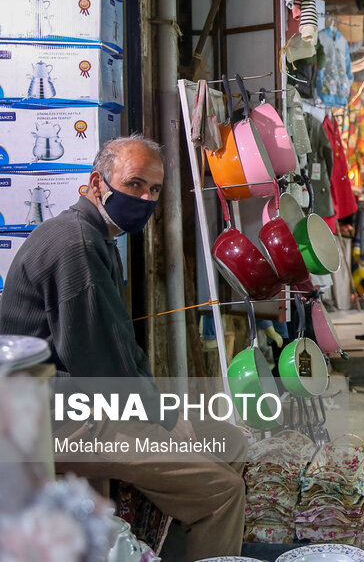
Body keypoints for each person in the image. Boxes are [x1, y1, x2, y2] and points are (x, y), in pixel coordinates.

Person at [0, 135, 248, 559]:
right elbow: (101, 367)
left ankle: (164, 548)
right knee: (224, 493)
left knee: (229, 442)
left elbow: (124, 349)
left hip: (80, 406)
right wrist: (165, 420)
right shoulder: (75, 244)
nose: (146, 199)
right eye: (134, 184)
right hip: (52, 423)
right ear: (97, 184)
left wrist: (165, 412)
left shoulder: (96, 236)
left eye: (154, 190)